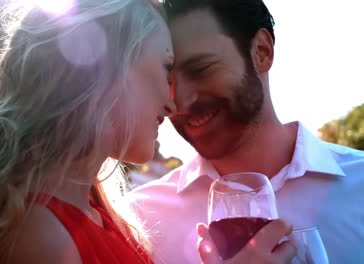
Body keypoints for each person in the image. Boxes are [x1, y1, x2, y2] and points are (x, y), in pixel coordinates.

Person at [0, 0, 295, 263]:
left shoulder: (100, 213)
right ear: (103, 70)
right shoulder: (38, 235)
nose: (173, 101)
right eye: (165, 69)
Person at [127, 0, 364, 263]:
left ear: (262, 52)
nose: (179, 101)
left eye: (201, 69)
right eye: (167, 81)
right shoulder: (141, 218)